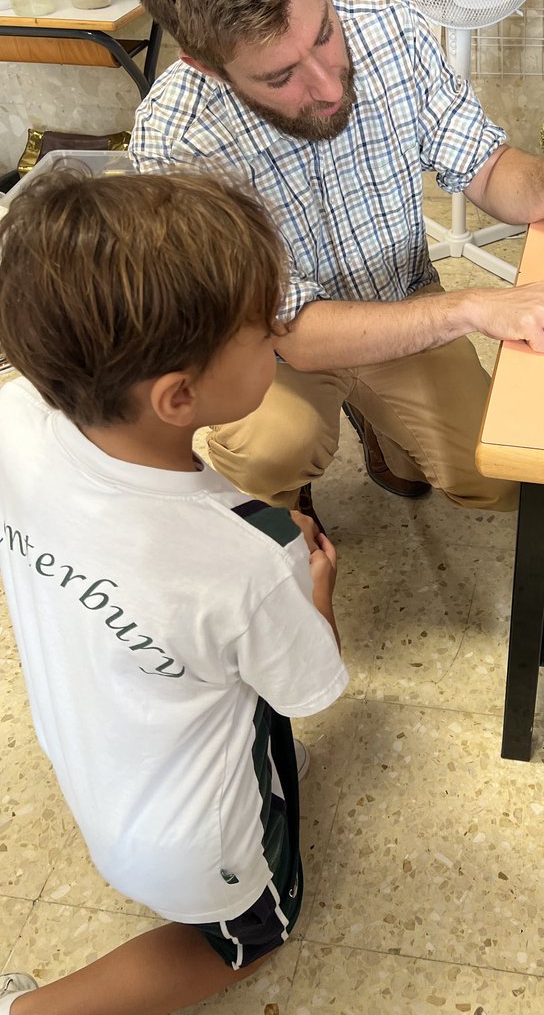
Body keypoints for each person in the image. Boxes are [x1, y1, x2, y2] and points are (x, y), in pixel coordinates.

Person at [123, 0, 544, 528]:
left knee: (503, 478)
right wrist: (477, 307)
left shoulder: (386, 24)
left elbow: (488, 170)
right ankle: (288, 497)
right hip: (275, 354)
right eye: (280, 76)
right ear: (205, 64)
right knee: (270, 448)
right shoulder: (176, 141)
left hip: (403, 303)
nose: (325, 85)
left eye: (323, 33)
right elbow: (297, 335)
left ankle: (383, 427)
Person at [0, 169, 347, 1014]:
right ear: (179, 396)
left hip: (92, 766)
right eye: (264, 331)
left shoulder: (13, 416)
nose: (280, 335)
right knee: (254, 938)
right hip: (196, 847)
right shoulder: (252, 558)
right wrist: (313, 591)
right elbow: (310, 684)